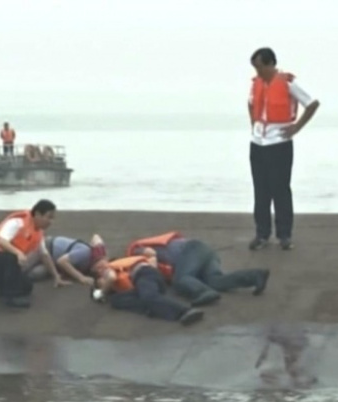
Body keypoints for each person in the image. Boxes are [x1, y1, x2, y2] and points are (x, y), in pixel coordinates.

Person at [247, 47, 320, 251]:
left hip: (279, 144)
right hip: (258, 143)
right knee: (260, 191)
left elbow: (312, 104)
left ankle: (284, 235)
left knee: (280, 190)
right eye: (255, 68)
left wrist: (296, 128)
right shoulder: (256, 84)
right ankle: (262, 234)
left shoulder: (287, 83)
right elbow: (251, 104)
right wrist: (253, 124)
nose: (257, 72)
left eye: (260, 67)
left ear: (270, 64)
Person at [126, 231, 270, 305]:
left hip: (191, 249)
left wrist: (150, 268)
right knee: (216, 280)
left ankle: (203, 292)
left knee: (180, 280)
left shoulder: (136, 251)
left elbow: (151, 254)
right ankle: (255, 276)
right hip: (203, 251)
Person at [0, 199, 69, 307]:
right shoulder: (18, 222)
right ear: (38, 214)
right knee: (13, 259)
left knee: (26, 287)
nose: (51, 221)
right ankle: (10, 298)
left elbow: (44, 254)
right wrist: (18, 253)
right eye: (49, 217)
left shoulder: (38, 232)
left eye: (52, 218)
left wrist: (56, 276)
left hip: (5, 261)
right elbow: (1, 241)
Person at [90, 251, 204, 326]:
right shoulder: (117, 294)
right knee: (117, 301)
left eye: (100, 266)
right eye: (98, 272)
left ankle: (185, 310)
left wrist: (101, 293)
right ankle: (154, 309)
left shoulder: (111, 268)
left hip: (144, 275)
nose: (101, 270)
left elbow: (111, 277)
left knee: (148, 297)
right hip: (149, 280)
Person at [0, 234, 104, 287]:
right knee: (20, 267)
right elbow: (62, 261)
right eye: (101, 267)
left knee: (33, 275)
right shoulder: (86, 252)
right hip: (46, 248)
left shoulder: (91, 265)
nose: (99, 270)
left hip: (51, 262)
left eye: (100, 272)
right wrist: (81, 278)